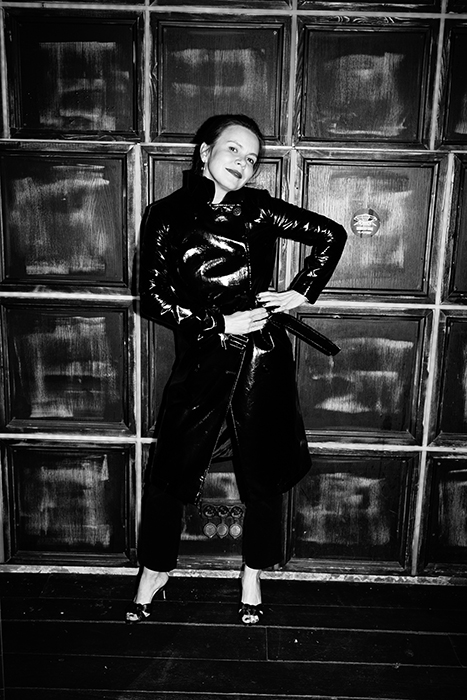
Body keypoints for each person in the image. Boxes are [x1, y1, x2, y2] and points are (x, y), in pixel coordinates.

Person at [127, 114, 347, 625]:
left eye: (252, 158)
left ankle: (253, 573)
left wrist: (300, 291)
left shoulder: (258, 208)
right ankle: (154, 571)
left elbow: (331, 234)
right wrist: (218, 321)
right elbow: (153, 298)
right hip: (202, 358)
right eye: (233, 150)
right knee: (170, 472)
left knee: (262, 475)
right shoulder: (165, 214)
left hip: (261, 360)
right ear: (205, 152)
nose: (243, 163)